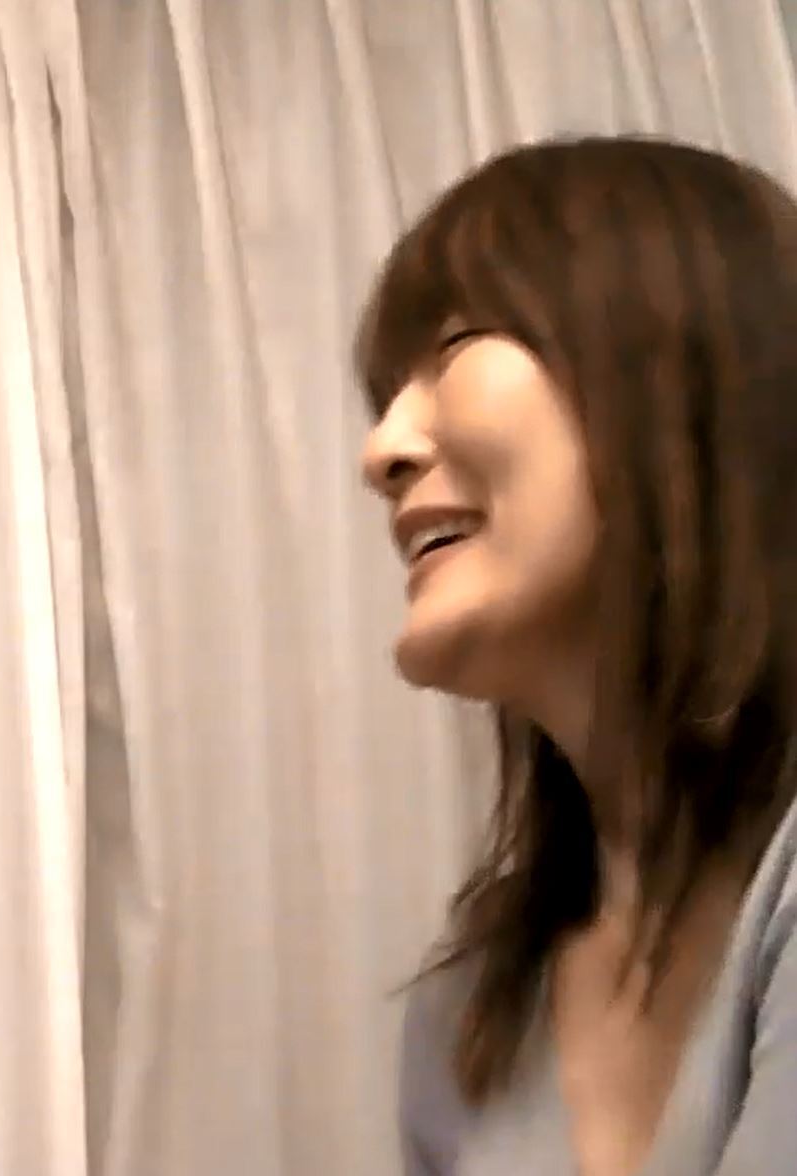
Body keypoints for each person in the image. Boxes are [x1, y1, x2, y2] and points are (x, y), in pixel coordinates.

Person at [357, 135, 797, 1176]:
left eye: (455, 345)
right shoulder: (468, 1015)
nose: (381, 451)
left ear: (682, 377)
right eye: (386, 395)